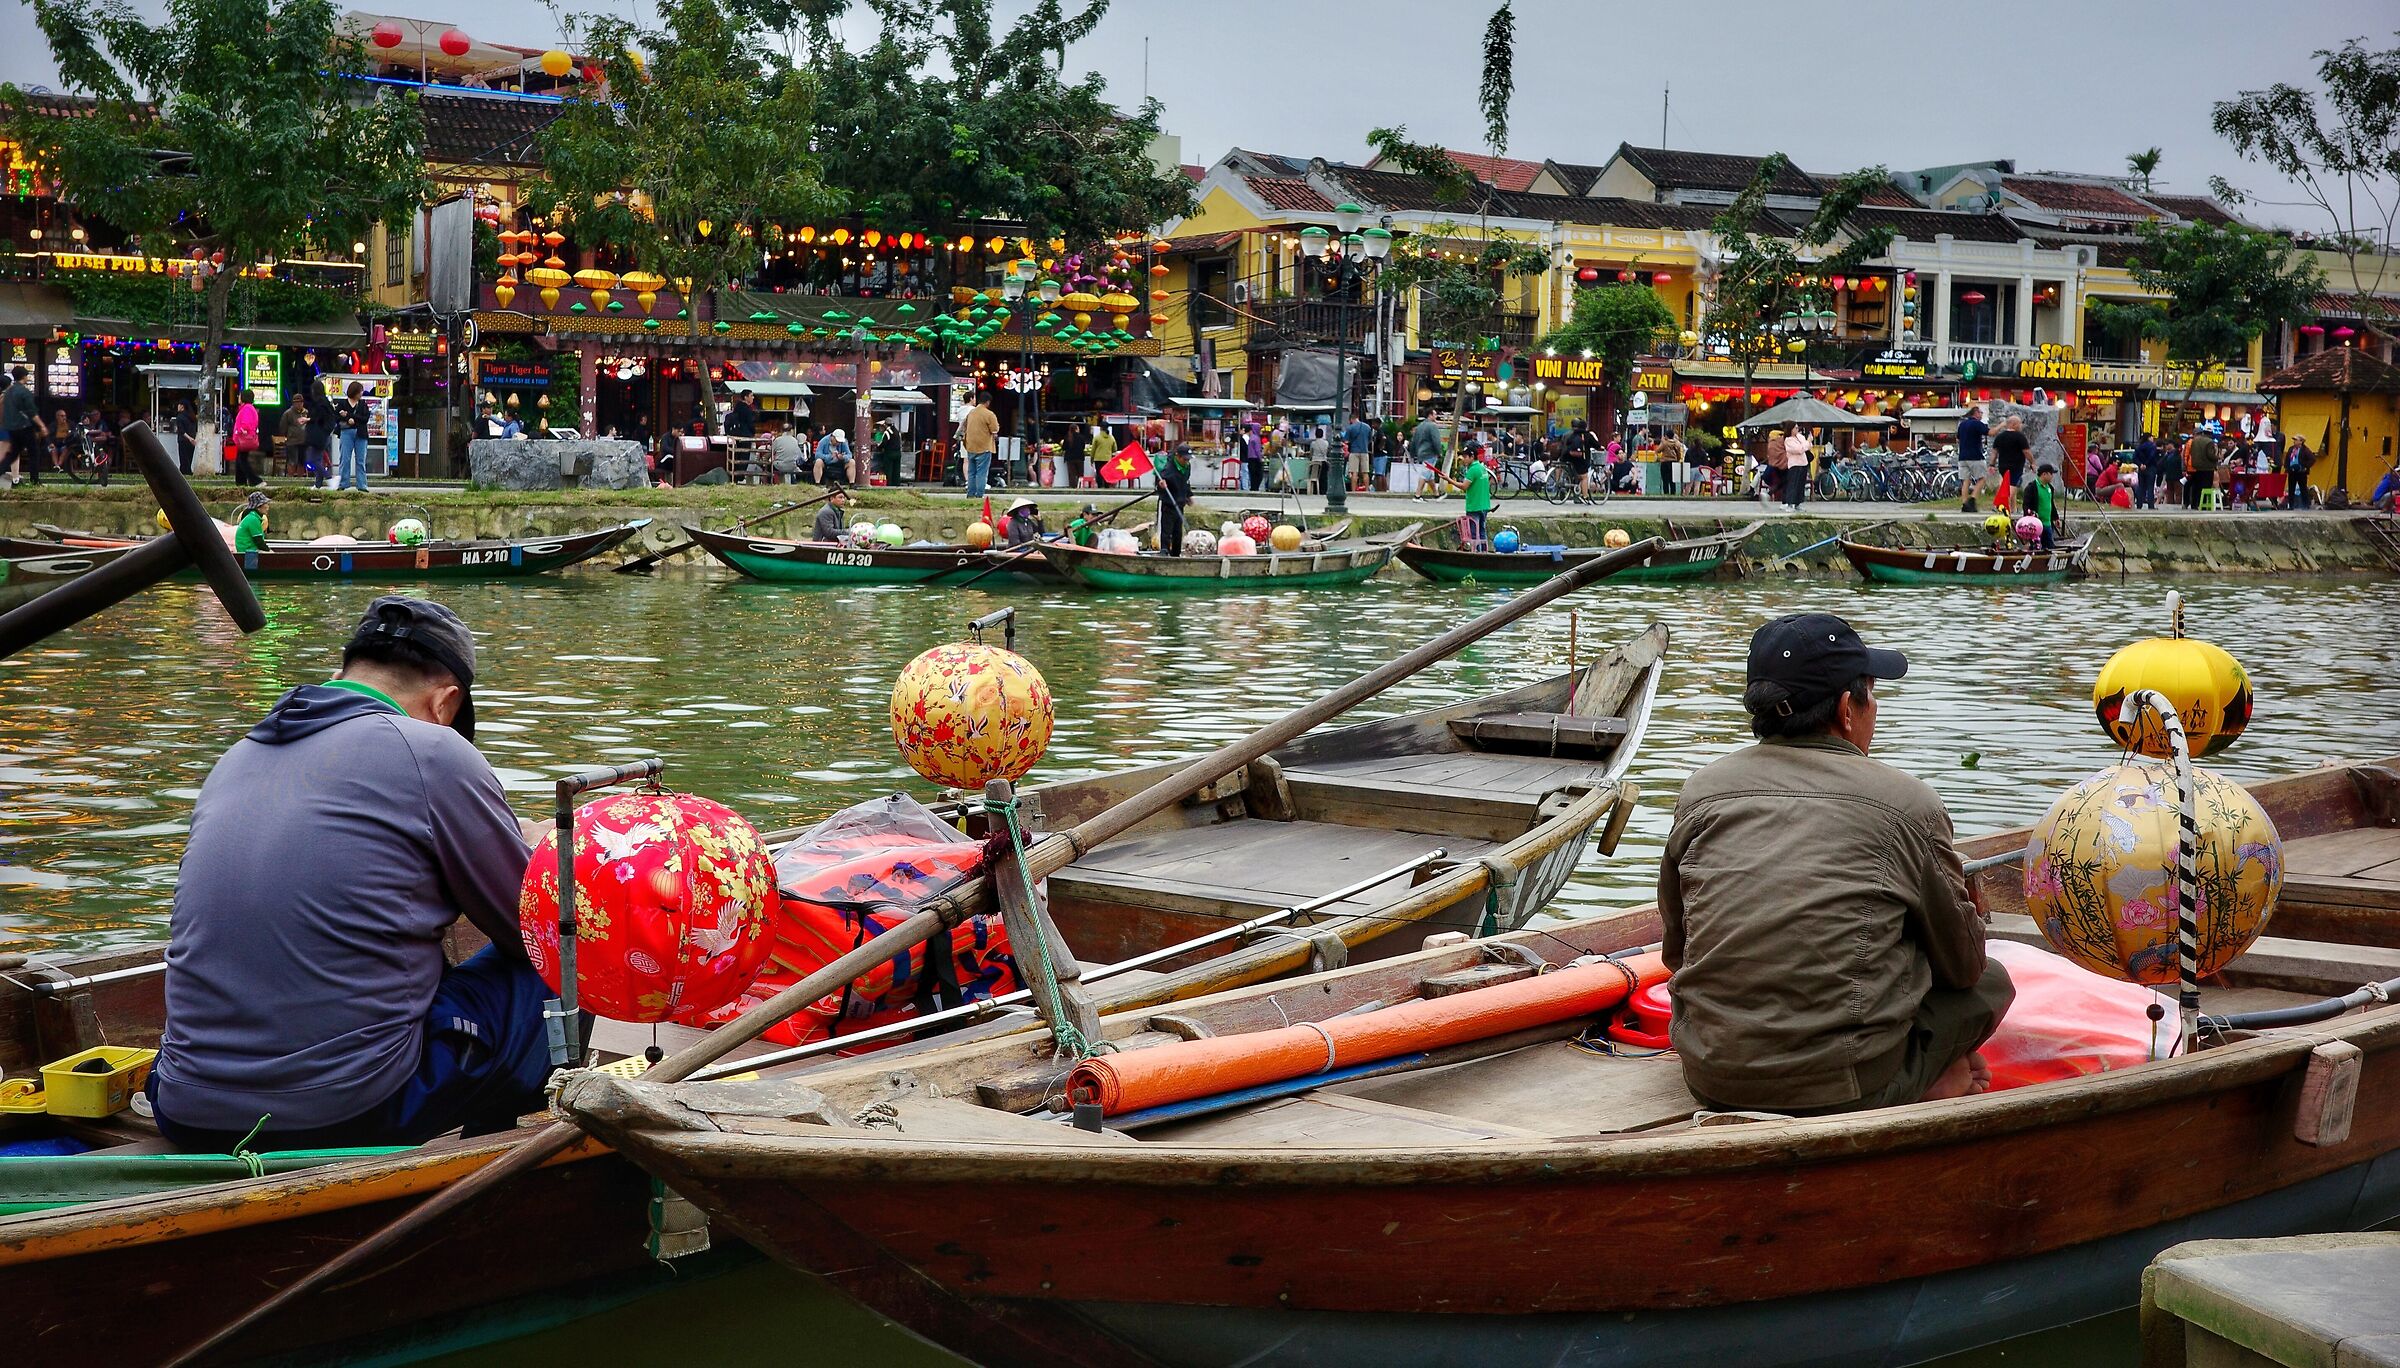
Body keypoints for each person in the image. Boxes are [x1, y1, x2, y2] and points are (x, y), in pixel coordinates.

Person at [147, 597, 555, 1152]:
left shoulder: (238, 756)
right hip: (345, 1109)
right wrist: (539, 856)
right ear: (446, 701)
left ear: (341, 673)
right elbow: (532, 929)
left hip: (184, 1105)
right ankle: (514, 1151)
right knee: (567, 956)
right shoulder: (432, 751)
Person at [1657, 613, 2013, 1117]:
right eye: (1871, 692)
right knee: (1993, 980)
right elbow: (1964, 968)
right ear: (1849, 708)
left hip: (1711, 1077)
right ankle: (1924, 1081)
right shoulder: (1908, 804)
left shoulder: (1702, 790)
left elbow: (1678, 951)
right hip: (1843, 1087)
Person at [0, 366, 43, 489]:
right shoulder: (15, 393)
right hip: (12, 427)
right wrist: (41, 425)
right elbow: (29, 411)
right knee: (11, 454)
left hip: (8, 426)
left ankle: (16, 477)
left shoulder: (7, 394)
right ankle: (17, 478)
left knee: (11, 454)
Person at [1444, 445, 1495, 547]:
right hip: (1484, 505)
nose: (1463, 459)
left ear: (1472, 457)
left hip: (1474, 506)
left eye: (1465, 457)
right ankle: (1484, 553)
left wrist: (1449, 480)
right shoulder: (1482, 468)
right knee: (1482, 531)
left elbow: (1464, 486)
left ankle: (1476, 554)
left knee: (1474, 533)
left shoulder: (1472, 470)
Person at [1155, 440, 1192, 555]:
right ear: (1177, 456)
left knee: (1178, 532)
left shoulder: (1187, 467)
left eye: (1188, 459)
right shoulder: (1168, 469)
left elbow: (1186, 482)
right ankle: (1164, 551)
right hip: (1169, 503)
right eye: (1184, 459)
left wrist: (1188, 495)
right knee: (1167, 530)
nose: (1186, 462)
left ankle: (1176, 554)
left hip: (1180, 503)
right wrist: (1161, 485)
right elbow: (1159, 481)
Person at [960, 394, 1000, 496]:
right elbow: (995, 430)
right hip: (984, 447)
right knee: (981, 473)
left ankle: (970, 494)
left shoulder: (971, 413)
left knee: (971, 472)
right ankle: (979, 495)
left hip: (970, 446)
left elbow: (964, 427)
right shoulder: (989, 414)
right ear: (988, 402)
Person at [338, 381, 372, 492]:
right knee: (345, 458)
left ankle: (362, 485)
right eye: (360, 391)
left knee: (360, 460)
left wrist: (349, 415)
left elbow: (365, 418)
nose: (361, 393)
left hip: (361, 433)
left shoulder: (363, 404)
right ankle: (343, 483)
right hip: (346, 432)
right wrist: (348, 419)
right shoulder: (342, 403)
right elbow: (336, 416)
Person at [301, 378, 336, 488]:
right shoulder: (325, 402)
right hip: (323, 435)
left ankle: (330, 478)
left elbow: (319, 417)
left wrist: (308, 420)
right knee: (318, 459)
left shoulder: (320, 403)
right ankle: (318, 484)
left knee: (312, 460)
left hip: (317, 435)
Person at [1956, 405, 1990, 512]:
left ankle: (1964, 503)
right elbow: (1990, 432)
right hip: (1975, 456)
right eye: (1980, 413)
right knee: (1982, 478)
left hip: (1962, 457)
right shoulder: (1976, 424)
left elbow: (1958, 439)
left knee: (1965, 481)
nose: (1981, 415)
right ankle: (1973, 498)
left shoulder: (1962, 424)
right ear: (1975, 413)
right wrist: (2001, 425)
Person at [229, 389, 263, 486]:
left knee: (242, 461)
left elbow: (246, 423)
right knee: (240, 460)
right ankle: (240, 482)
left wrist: (241, 430)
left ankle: (256, 481)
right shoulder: (248, 408)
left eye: (239, 395)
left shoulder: (247, 408)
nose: (238, 397)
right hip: (243, 439)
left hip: (243, 439)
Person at [1991, 415, 2030, 501]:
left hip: (2002, 465)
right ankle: (2002, 502)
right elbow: (2026, 451)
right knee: (2013, 485)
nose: (2021, 426)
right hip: (2016, 465)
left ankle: (2012, 508)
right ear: (2013, 424)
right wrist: (2032, 462)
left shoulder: (2000, 436)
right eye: (2019, 424)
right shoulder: (2020, 437)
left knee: (2005, 484)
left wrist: (1992, 464)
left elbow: (1994, 452)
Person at [2026, 462, 2062, 550]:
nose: (2052, 476)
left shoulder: (2050, 488)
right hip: (2036, 525)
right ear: (2044, 474)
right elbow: (2026, 505)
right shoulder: (2032, 487)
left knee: (2049, 547)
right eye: (2051, 474)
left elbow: (2051, 504)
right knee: (2036, 547)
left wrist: (2056, 517)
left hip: (2048, 524)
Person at [1780, 426, 1813, 512]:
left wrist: (1808, 442)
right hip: (1794, 464)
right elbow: (1799, 450)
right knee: (1793, 484)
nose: (1797, 429)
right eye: (1795, 428)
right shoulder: (1788, 440)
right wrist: (1807, 443)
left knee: (1801, 485)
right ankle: (1790, 504)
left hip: (1803, 463)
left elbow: (1808, 447)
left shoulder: (1800, 437)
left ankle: (1798, 503)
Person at [2185, 426, 2218, 510]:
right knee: (2206, 487)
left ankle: (2194, 504)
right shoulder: (2209, 442)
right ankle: (2203, 504)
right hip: (2207, 468)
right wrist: (2217, 457)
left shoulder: (2194, 441)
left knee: (2196, 486)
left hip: (2196, 466)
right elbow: (2210, 455)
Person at [1342, 412, 1374, 494]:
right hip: (1364, 451)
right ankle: (1366, 491)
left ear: (1351, 419)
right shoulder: (1367, 427)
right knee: (1365, 472)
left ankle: (1353, 491)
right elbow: (1370, 440)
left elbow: (1346, 441)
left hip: (1354, 452)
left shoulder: (1350, 428)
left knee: (1354, 472)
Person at [233, 489, 272, 553]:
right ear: (258, 507)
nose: (268, 507)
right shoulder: (253, 519)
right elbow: (259, 542)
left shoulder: (252, 516)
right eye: (265, 504)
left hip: (248, 549)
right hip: (247, 551)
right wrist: (270, 551)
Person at [2285, 436, 2315, 510]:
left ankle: (2305, 505)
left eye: (2296, 440)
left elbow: (2312, 459)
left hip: (2301, 472)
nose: (2294, 441)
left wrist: (2305, 467)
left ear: (2301, 441)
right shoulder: (2291, 449)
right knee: (2291, 489)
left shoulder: (2305, 450)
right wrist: (2287, 467)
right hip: (2292, 471)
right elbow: (2287, 459)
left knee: (2303, 488)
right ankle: (2291, 505)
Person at [2133, 432, 2161, 510]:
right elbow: (2152, 456)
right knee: (2150, 487)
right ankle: (2150, 505)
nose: (2153, 439)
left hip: (2141, 469)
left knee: (2141, 486)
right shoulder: (2152, 446)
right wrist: (2146, 464)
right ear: (2149, 438)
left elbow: (2134, 457)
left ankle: (2139, 504)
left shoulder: (2139, 447)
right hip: (2150, 468)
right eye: (2152, 437)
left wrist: (2140, 464)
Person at [171, 399, 198, 476]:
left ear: (182, 406)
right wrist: (193, 439)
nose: (177, 406)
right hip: (192, 441)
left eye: (179, 405)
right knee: (189, 459)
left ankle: (184, 473)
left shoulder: (180, 417)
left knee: (183, 459)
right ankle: (188, 472)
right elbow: (195, 429)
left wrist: (189, 438)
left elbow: (181, 431)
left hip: (183, 440)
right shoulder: (192, 417)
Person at [873, 420, 902, 486]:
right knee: (896, 470)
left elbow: (884, 443)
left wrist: (878, 447)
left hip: (889, 453)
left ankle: (889, 484)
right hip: (898, 453)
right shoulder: (898, 432)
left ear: (886, 425)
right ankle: (897, 484)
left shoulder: (887, 432)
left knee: (888, 469)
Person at [1062, 421, 1089, 489]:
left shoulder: (1067, 437)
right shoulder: (1081, 437)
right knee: (1080, 473)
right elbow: (1083, 447)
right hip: (1079, 457)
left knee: (1072, 474)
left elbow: (1064, 447)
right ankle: (1080, 486)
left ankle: (1072, 487)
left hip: (1070, 458)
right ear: (1076, 429)